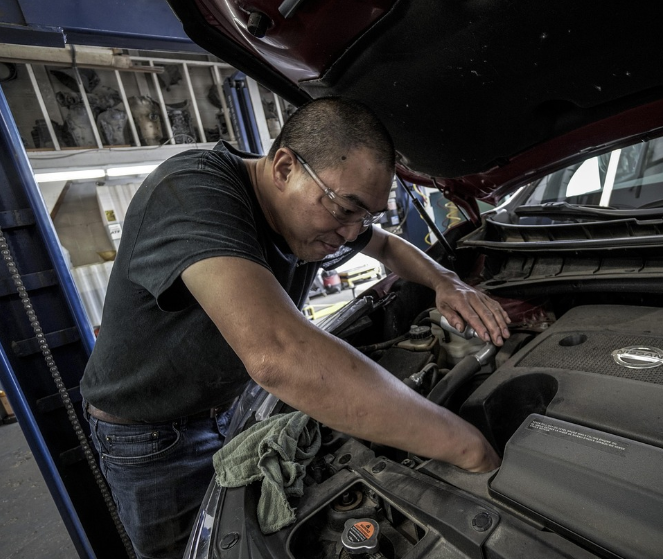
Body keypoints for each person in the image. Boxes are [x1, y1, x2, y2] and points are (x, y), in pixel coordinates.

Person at [79, 97, 509, 559]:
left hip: (233, 407)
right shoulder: (191, 193)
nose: (351, 233)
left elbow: (386, 246)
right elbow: (278, 355)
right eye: (345, 210)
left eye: (364, 216)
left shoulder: (312, 206)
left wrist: (445, 282)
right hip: (152, 438)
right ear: (285, 168)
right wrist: (466, 447)